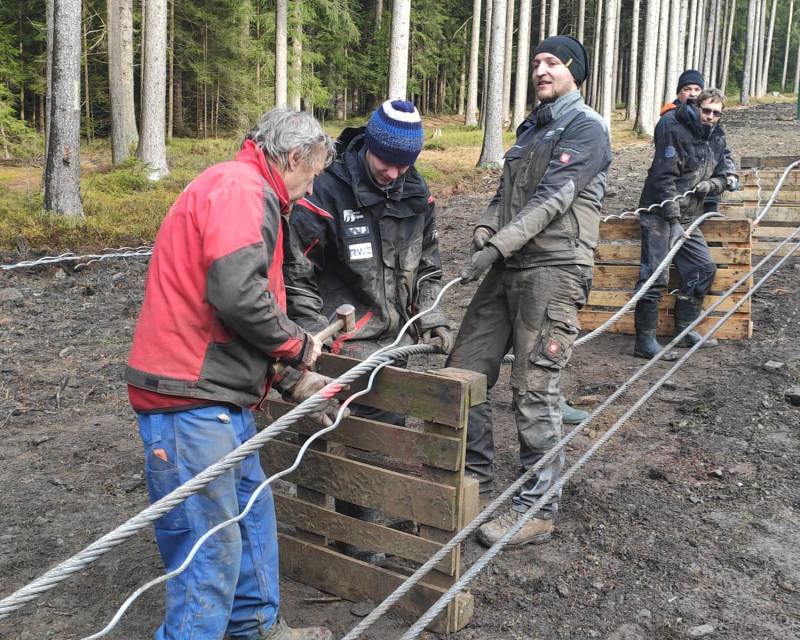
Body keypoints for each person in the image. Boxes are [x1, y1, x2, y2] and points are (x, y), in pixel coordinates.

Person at [125, 108, 337, 640]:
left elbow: (233, 311)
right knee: (209, 552)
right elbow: (239, 297)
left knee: (250, 522)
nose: (309, 188)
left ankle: (257, 628)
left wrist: (288, 378)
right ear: (292, 158)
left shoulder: (240, 188)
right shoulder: (243, 191)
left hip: (218, 399)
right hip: (189, 400)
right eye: (310, 175)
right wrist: (297, 347)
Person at [445, 35, 612, 547]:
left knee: (534, 387)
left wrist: (494, 248)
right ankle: (475, 475)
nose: (542, 69)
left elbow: (551, 200)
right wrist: (482, 229)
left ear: (574, 73)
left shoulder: (587, 129)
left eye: (553, 62)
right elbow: (503, 195)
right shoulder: (529, 130)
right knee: (464, 366)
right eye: (537, 61)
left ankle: (537, 508)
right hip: (509, 261)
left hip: (555, 267)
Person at [285, 99, 452, 562]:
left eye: (406, 164)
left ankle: (363, 526)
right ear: (368, 148)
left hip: (393, 342)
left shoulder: (416, 193)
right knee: (328, 437)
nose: (395, 173)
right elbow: (295, 275)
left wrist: (433, 315)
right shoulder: (325, 192)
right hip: (337, 343)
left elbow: (428, 269)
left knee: (383, 437)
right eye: (387, 162)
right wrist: (308, 343)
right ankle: (333, 531)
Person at [633, 88, 738, 360]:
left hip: (690, 216)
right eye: (707, 111)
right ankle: (644, 342)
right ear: (697, 107)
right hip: (659, 214)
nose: (711, 117)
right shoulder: (675, 130)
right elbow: (662, 179)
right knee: (656, 276)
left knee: (703, 268)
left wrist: (712, 184)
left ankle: (684, 330)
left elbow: (726, 171)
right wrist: (674, 220)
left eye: (717, 113)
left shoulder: (716, 136)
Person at [655, 70, 737, 213]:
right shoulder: (669, 120)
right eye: (687, 89)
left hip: (708, 192)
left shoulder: (710, 117)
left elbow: (722, 151)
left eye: (697, 89)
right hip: (681, 196)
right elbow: (665, 164)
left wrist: (729, 174)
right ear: (678, 93)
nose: (692, 93)